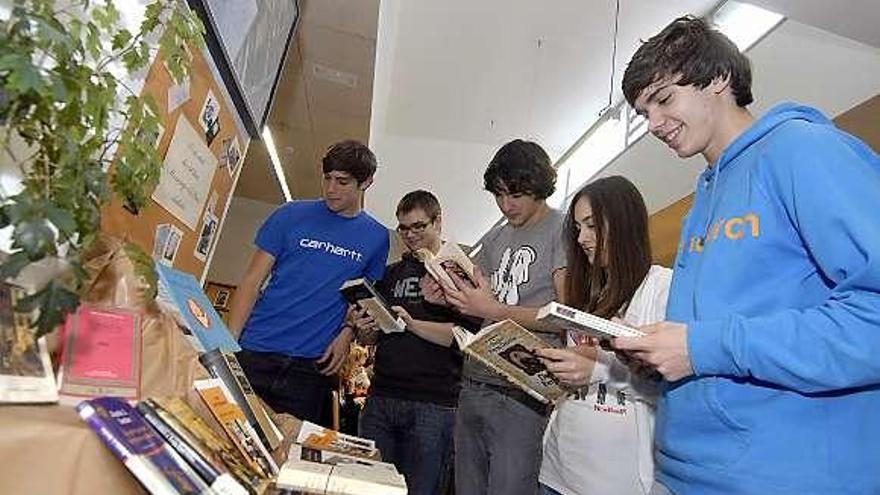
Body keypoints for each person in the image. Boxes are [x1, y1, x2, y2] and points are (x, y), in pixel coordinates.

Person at [614, 15, 880, 495]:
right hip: (685, 471)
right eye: (643, 112)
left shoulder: (804, 151)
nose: (652, 124)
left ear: (718, 78)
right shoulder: (705, 193)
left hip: (786, 475)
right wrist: (662, 356)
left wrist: (702, 347)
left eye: (663, 99)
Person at [422, 139, 567, 495]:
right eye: (499, 195)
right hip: (474, 381)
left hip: (521, 389)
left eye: (515, 195)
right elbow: (477, 303)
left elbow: (566, 317)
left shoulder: (562, 229)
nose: (506, 205)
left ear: (539, 185)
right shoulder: (496, 234)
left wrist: (494, 311)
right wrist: (445, 295)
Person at [228, 140, 390, 426]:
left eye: (342, 182)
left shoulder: (377, 237)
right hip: (255, 352)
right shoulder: (290, 215)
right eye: (327, 178)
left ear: (366, 182)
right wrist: (228, 346)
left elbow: (361, 302)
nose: (331, 189)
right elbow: (252, 282)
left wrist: (347, 334)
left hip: (311, 368)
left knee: (287, 458)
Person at [535, 176, 672, 495]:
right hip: (558, 471)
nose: (582, 238)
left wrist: (598, 370)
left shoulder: (662, 288)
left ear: (625, 223)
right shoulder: (589, 292)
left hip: (617, 482)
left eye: (592, 226)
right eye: (578, 228)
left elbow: (671, 388)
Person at [352, 190, 478, 495]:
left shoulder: (463, 276)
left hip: (434, 404)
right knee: (368, 488)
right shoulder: (390, 274)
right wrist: (363, 326)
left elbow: (466, 338)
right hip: (381, 397)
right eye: (404, 228)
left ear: (438, 222)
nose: (410, 235)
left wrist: (413, 324)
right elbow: (371, 337)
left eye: (419, 226)